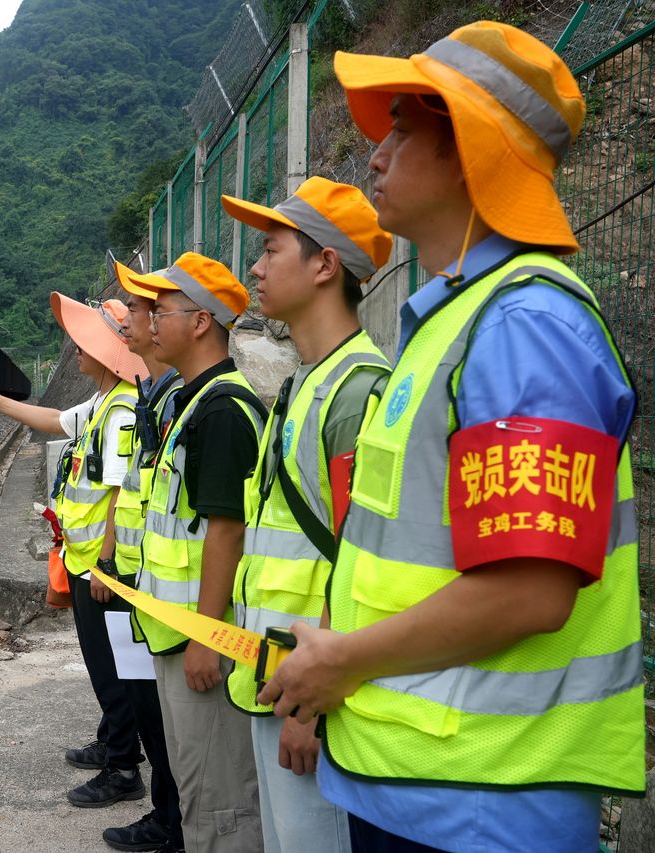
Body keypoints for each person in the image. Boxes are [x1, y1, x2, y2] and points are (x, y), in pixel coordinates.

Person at [257, 21, 646, 852]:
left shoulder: (525, 325)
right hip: (422, 782)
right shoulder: (452, 321)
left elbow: (529, 589)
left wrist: (343, 660)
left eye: (401, 129)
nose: (375, 156)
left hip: (485, 803)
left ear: (470, 148)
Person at [219, 177, 392, 853]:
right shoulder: (305, 382)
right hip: (280, 678)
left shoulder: (354, 393)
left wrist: (311, 709)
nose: (256, 268)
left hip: (313, 696)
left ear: (325, 265)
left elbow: (362, 567)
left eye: (271, 250)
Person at [0, 294, 151, 810]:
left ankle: (123, 767)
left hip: (101, 565)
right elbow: (55, 420)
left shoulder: (121, 410)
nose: (76, 349)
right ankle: (112, 739)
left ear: (108, 353)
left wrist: (107, 564)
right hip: (83, 558)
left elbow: (119, 493)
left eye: (85, 343)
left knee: (112, 668)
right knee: (103, 663)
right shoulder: (102, 402)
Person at [124, 252, 266, 852]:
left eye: (162, 312)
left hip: (202, 640)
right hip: (176, 633)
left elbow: (226, 530)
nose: (151, 323)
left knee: (220, 798)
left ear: (202, 321)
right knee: (196, 787)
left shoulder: (223, 410)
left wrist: (207, 637)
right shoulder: (191, 402)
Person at [96, 262, 186, 853]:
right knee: (152, 713)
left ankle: (173, 823)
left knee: (167, 721)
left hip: (166, 597)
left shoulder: (180, 400)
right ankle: (166, 816)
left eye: (140, 308)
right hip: (143, 583)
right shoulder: (155, 397)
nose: (129, 319)